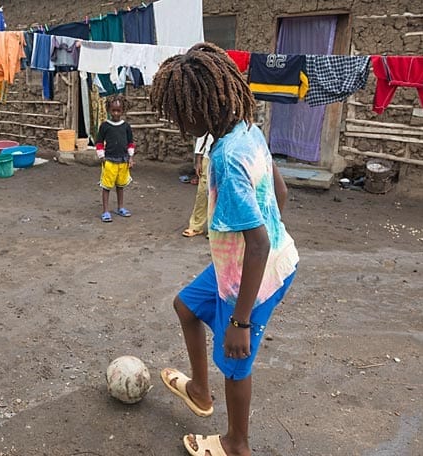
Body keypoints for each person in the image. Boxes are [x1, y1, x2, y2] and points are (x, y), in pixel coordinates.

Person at [150, 42, 299, 456]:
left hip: (256, 276)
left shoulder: (228, 160)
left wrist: (241, 321)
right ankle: (199, 391)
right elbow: (280, 192)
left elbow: (259, 243)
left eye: (178, 111)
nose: (176, 121)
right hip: (245, 264)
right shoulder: (246, 129)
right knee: (186, 306)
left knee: (235, 361)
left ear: (198, 107)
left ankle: (237, 443)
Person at [95, 94, 135, 222]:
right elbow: (99, 142)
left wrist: (130, 157)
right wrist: (102, 157)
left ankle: (120, 207)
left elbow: (130, 142)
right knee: (106, 186)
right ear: (108, 110)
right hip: (109, 161)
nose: (116, 113)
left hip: (123, 160)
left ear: (123, 110)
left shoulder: (126, 126)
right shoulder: (105, 126)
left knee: (120, 185)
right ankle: (105, 211)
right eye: (113, 110)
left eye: (119, 110)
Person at [182, 133, 214, 238]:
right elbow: (201, 137)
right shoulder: (208, 119)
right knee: (203, 192)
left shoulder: (232, 119)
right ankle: (196, 226)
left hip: (225, 156)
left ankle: (215, 229)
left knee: (220, 194)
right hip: (208, 157)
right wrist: (198, 161)